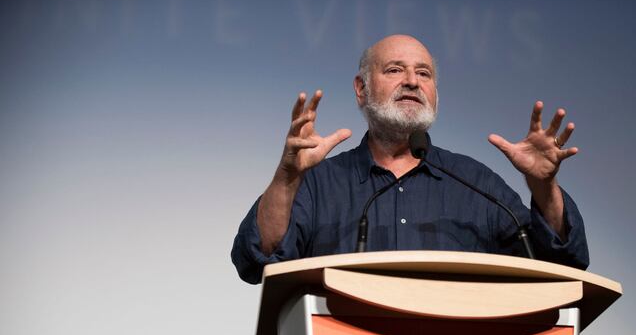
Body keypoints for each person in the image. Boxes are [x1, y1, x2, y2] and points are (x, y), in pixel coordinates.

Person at [232, 34, 588, 284]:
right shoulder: (319, 183)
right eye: (394, 70)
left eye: (423, 73)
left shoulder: (475, 183)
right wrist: (287, 176)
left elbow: (559, 264)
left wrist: (543, 187)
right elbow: (257, 258)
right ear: (361, 88)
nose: (412, 82)